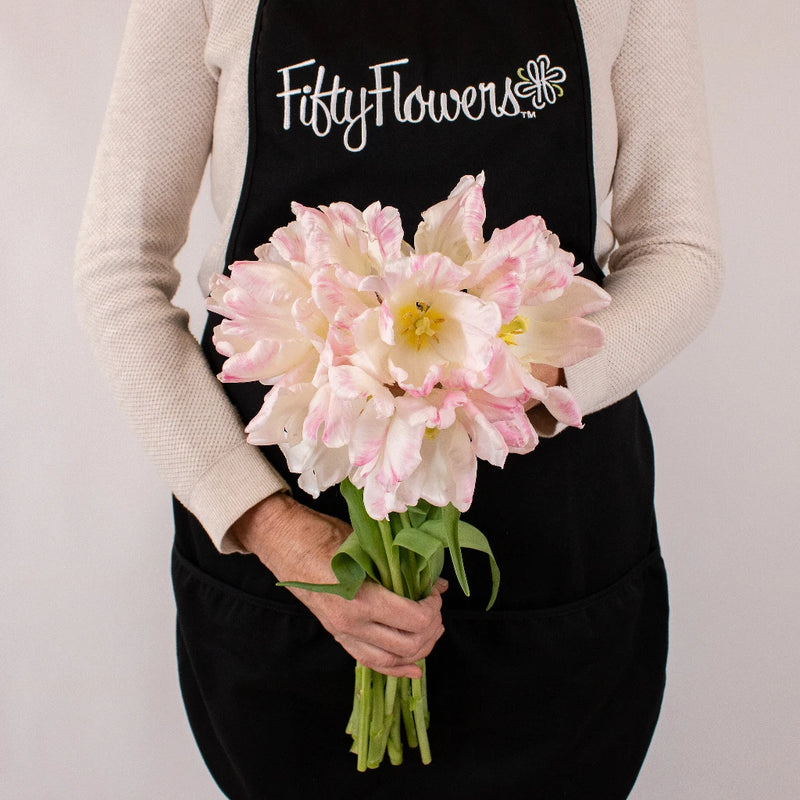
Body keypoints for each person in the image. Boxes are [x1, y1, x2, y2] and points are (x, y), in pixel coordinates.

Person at [74, 0, 723, 797]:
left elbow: (678, 250)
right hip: (289, 550)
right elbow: (118, 270)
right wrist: (269, 528)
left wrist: (494, 390)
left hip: (557, 544)